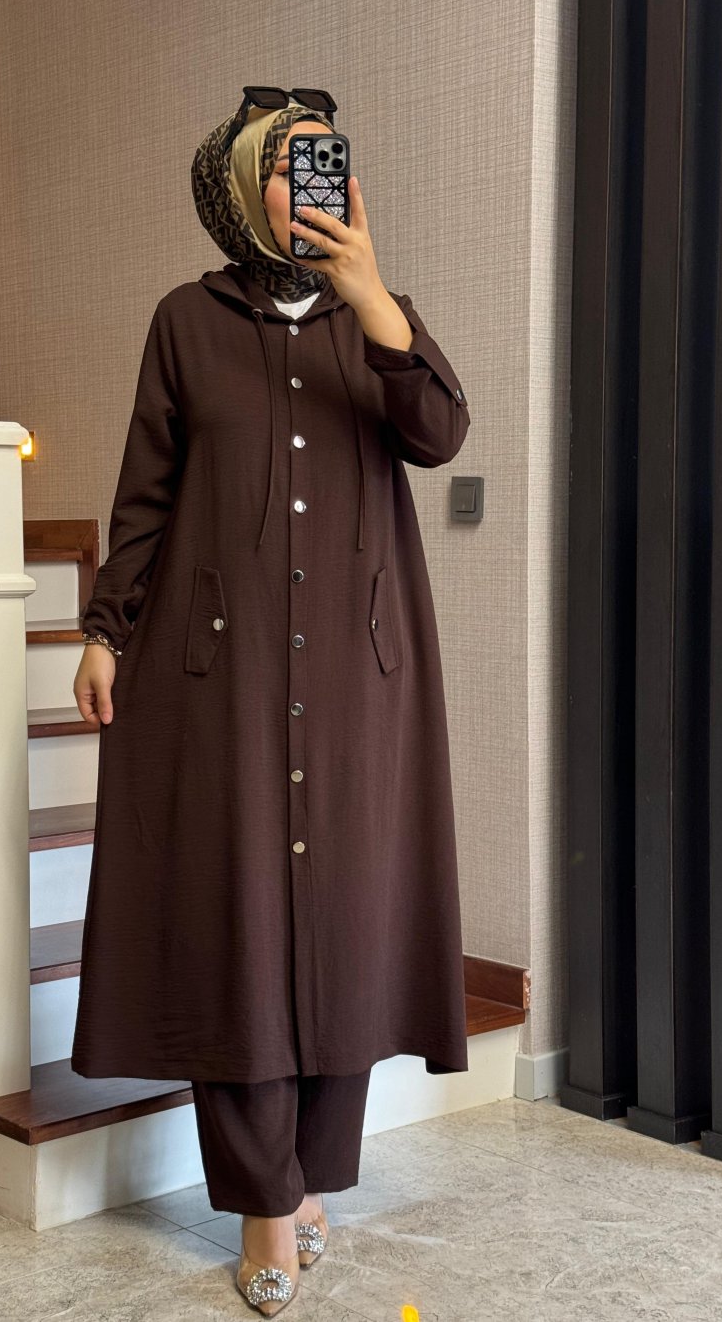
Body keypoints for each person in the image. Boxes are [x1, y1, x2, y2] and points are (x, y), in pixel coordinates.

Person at [71, 88, 471, 1317]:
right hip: (221, 671)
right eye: (287, 168)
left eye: (324, 164)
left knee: (344, 926)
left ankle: (307, 1177)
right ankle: (262, 1201)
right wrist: (105, 629)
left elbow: (439, 434)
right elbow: (146, 490)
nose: (311, 188)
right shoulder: (185, 321)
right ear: (238, 189)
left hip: (359, 673)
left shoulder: (378, 314)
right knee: (235, 926)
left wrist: (372, 295)